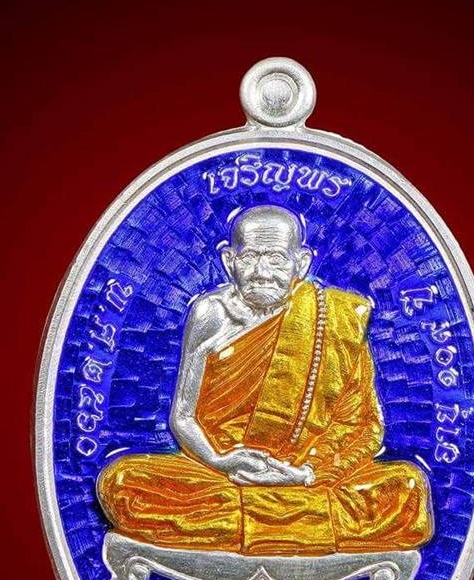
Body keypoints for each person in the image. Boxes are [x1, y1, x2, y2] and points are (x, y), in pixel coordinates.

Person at [97, 205, 433, 556]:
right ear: (229, 261)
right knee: (124, 484)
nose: (261, 273)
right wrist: (220, 461)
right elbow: (182, 417)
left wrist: (304, 474)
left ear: (301, 263)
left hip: (306, 477)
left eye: (276, 259)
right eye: (249, 258)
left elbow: (362, 428)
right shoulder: (211, 314)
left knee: (406, 490)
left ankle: (249, 524)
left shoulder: (336, 319)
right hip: (226, 474)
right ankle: (304, 526)